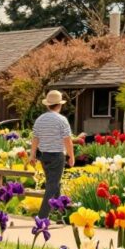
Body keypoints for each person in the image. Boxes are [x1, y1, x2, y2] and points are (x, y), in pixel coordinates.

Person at [30, 90, 74, 220]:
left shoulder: (40, 120)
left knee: (54, 184)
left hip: (44, 156)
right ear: (59, 105)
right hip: (57, 156)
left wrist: (32, 155)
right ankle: (42, 217)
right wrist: (71, 156)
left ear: (48, 105)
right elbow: (67, 140)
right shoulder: (62, 120)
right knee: (52, 186)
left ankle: (60, 215)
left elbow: (35, 138)